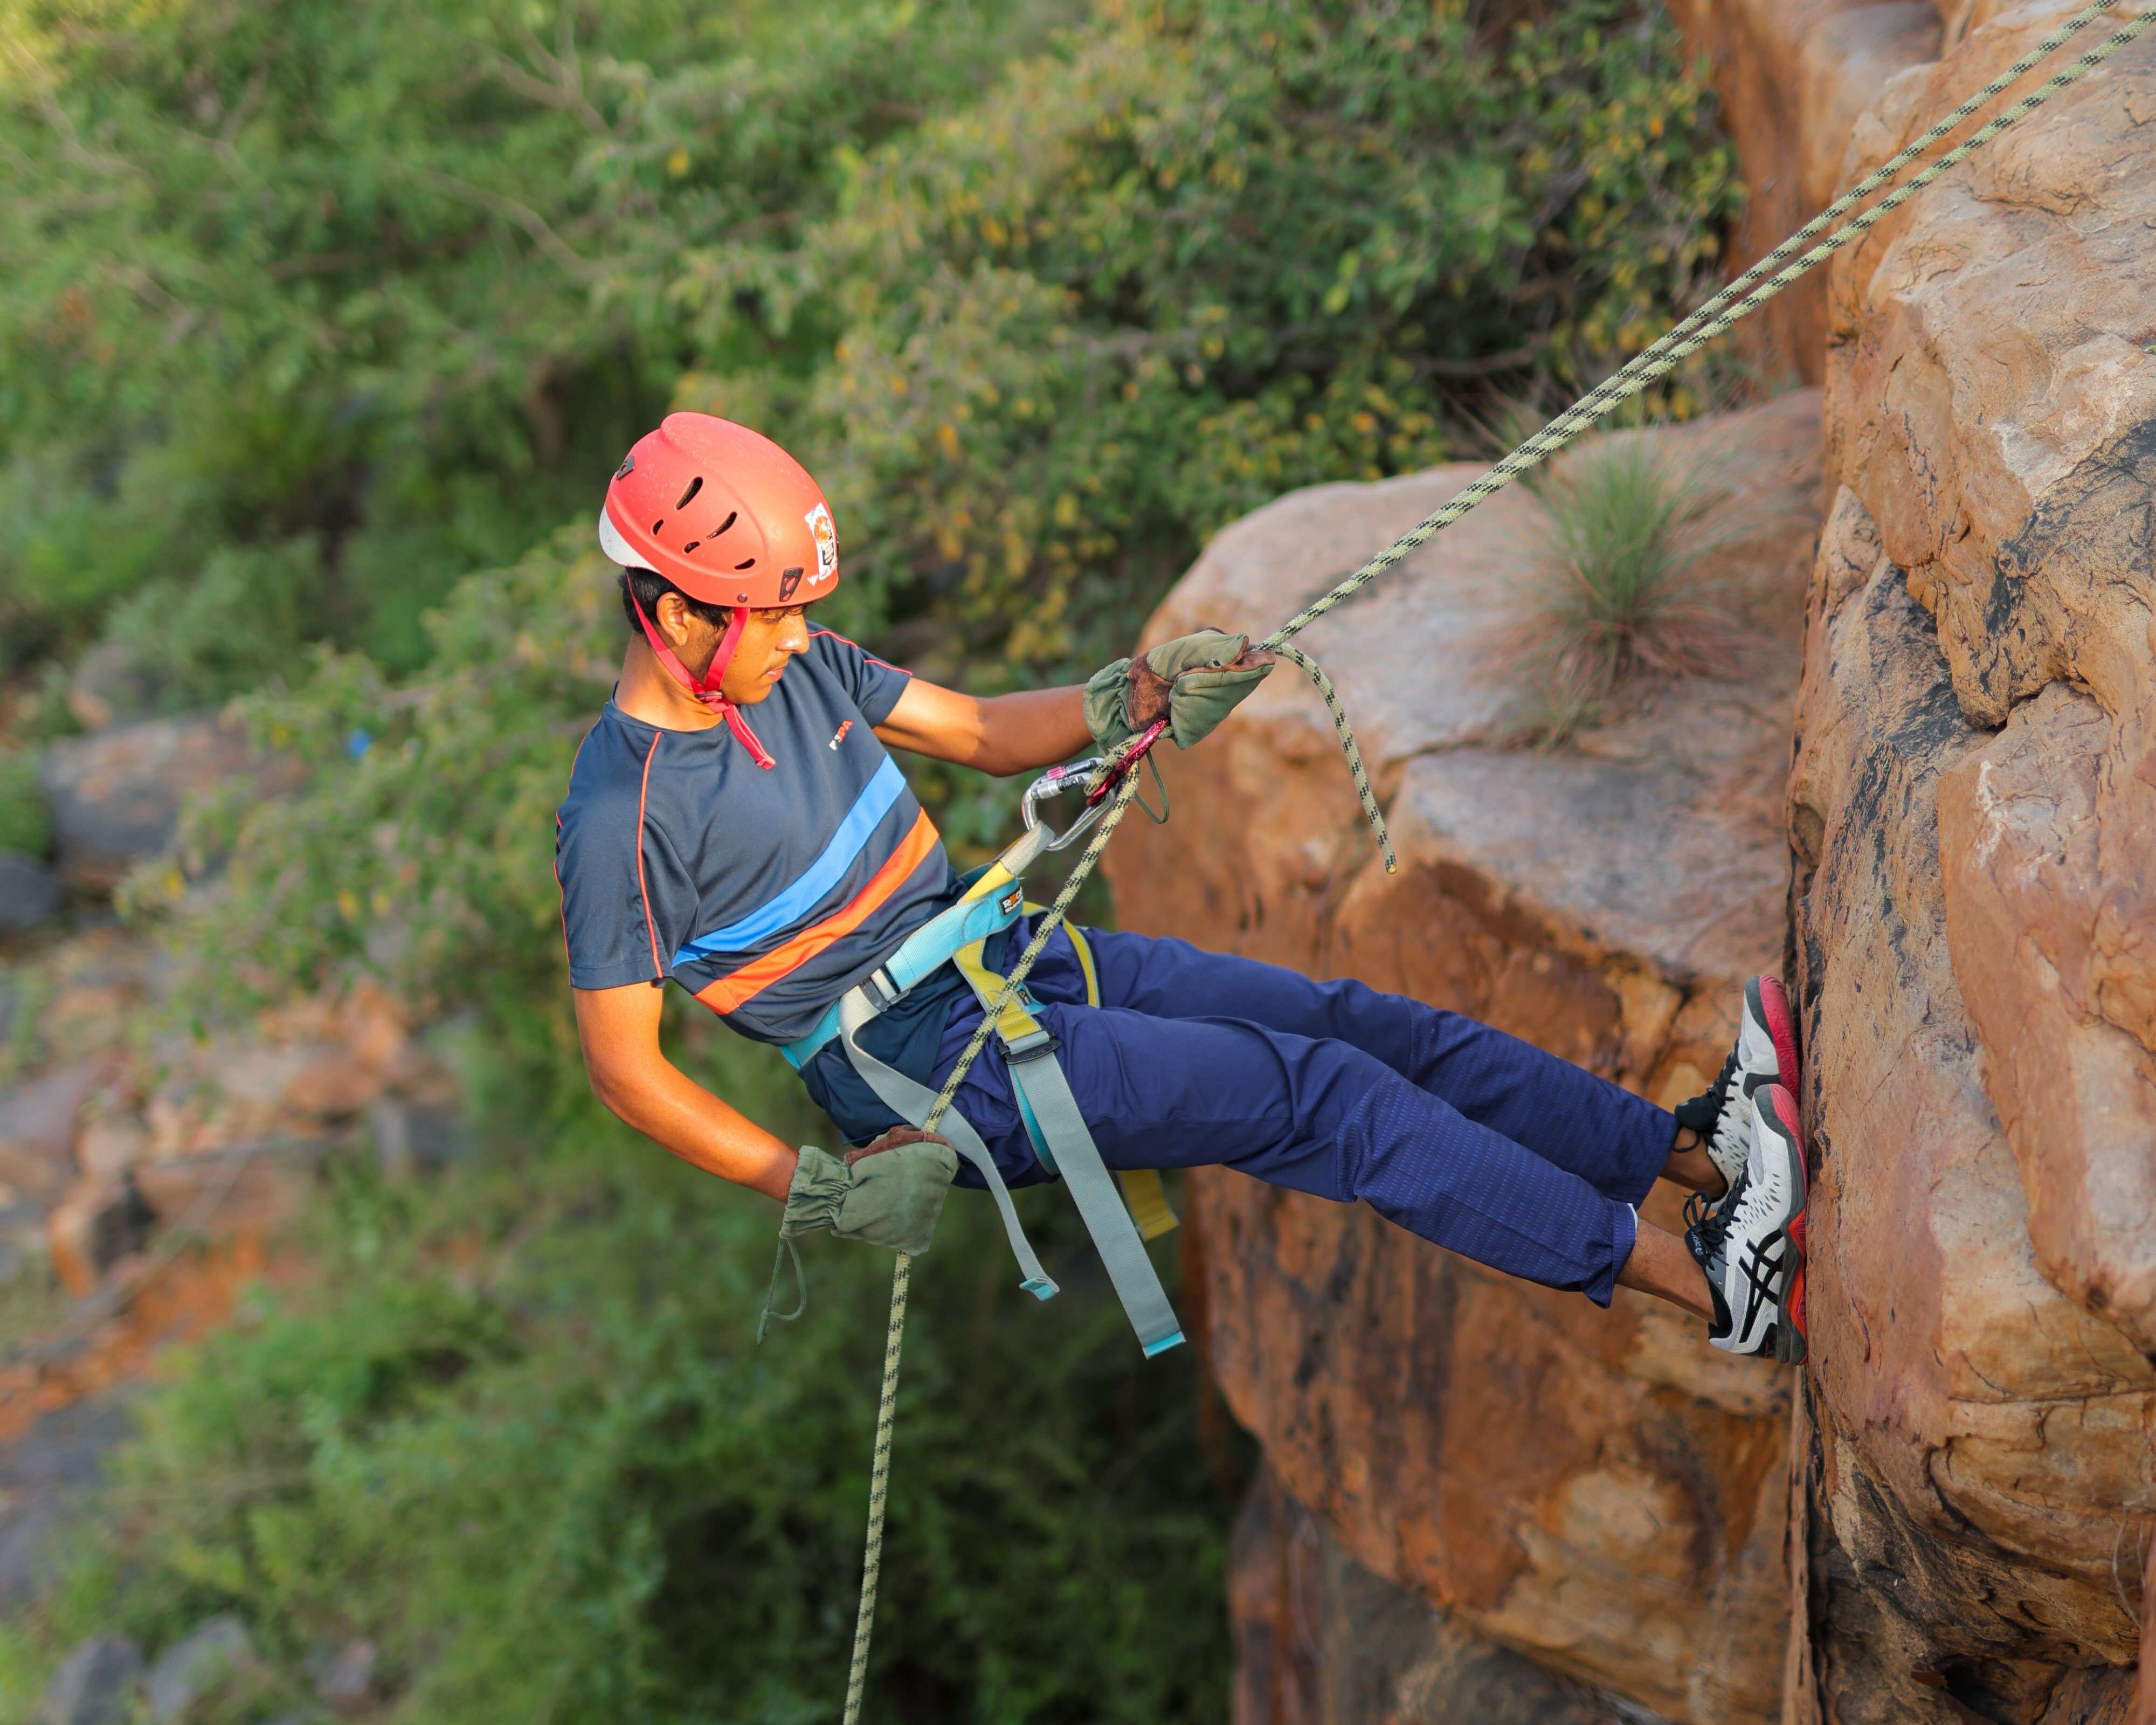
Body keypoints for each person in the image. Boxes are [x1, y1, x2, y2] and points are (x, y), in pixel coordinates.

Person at [557, 414, 1810, 1363]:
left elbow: (986, 730)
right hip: (934, 1068)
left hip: (1010, 958)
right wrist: (819, 1191)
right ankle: (1717, 1287)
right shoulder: (623, 812)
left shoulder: (797, 661)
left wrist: (1130, 694)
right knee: (1322, 1102)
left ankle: (1697, 1159)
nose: (793, 636)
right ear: (671, 611)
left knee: (1355, 1024)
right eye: (766, 616)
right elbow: (626, 1071)